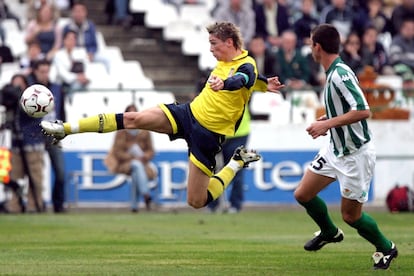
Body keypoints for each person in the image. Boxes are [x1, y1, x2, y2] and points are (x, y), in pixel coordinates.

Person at [40, 21, 284, 209]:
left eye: (214, 44)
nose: (210, 49)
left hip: (208, 135)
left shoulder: (246, 63)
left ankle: (236, 162)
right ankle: (65, 128)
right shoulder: (227, 61)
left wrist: (228, 83)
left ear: (229, 42)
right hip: (188, 113)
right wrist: (264, 83)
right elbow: (252, 80)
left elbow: (242, 78)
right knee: (133, 119)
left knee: (196, 201)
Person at [293, 23, 397, 270]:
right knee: (302, 194)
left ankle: (386, 247)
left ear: (318, 47)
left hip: (355, 155)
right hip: (334, 150)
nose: (311, 48)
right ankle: (329, 232)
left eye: (311, 44)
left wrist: (327, 122)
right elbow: (345, 110)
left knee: (351, 216)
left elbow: (363, 110)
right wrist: (327, 122)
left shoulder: (340, 74)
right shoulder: (332, 74)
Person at [27, 59, 66, 213]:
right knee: (35, 171)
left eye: (47, 71)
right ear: (35, 72)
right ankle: (36, 203)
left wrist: (64, 128)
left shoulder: (57, 88)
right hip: (35, 134)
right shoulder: (30, 91)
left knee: (61, 171)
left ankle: (58, 204)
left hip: (54, 133)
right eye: (41, 71)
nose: (44, 75)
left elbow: (62, 111)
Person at [105, 104, 156, 212]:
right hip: (124, 164)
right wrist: (132, 157)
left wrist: (144, 156)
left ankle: (134, 206)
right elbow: (117, 152)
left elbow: (151, 150)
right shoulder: (121, 132)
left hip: (142, 164)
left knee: (136, 173)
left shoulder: (145, 131)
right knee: (136, 165)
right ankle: (146, 194)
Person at [7, 74, 46, 213]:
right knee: (15, 177)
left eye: (20, 85)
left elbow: (29, 112)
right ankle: (14, 206)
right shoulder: (10, 100)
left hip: (32, 142)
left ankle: (34, 205)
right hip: (16, 145)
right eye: (14, 85)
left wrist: (20, 98)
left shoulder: (35, 100)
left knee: (35, 176)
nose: (17, 88)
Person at [207, 107, 251, 213]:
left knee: (236, 169)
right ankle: (213, 204)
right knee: (211, 169)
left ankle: (235, 205)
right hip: (215, 132)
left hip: (239, 133)